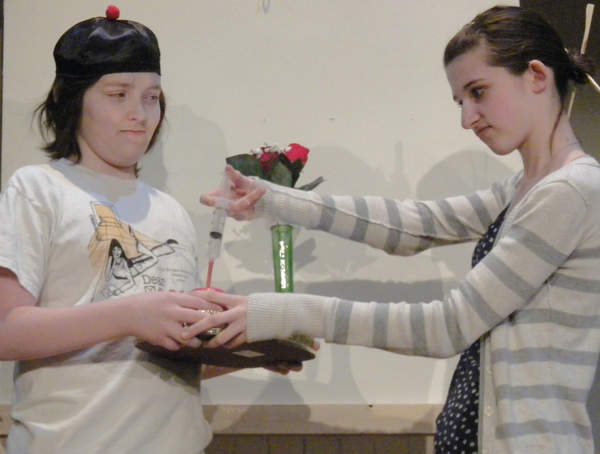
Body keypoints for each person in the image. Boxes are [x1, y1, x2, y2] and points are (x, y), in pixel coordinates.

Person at [192, 6, 599, 454]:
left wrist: (282, 312)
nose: (467, 118)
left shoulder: (569, 192)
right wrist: (272, 198)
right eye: (460, 102)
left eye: (478, 92)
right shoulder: (524, 188)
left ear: (537, 76)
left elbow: (448, 325)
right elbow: (415, 226)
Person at [0, 6, 236, 454]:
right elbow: (5, 329)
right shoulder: (38, 189)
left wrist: (246, 349)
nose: (139, 114)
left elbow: (168, 361)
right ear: (73, 101)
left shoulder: (170, 211)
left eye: (151, 97)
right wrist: (130, 315)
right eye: (118, 94)